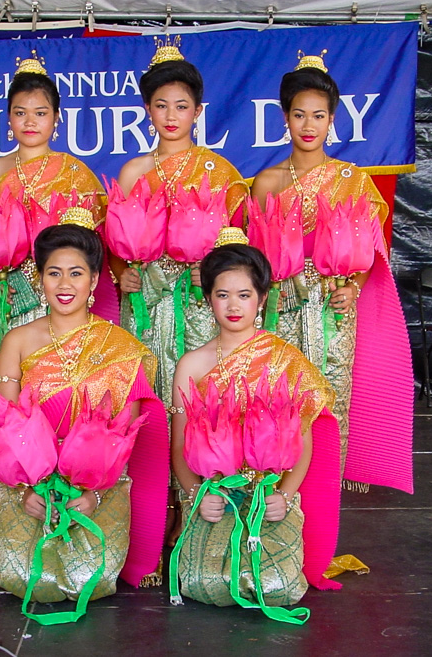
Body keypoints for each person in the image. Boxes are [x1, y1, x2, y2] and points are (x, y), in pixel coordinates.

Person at [249, 52, 413, 493]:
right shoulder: (266, 183)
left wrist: (354, 289)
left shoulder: (352, 179)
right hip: (279, 305)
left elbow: (370, 250)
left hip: (331, 306)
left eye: (318, 116)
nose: (308, 125)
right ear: (284, 117)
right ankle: (272, 495)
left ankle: (323, 499)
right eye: (299, 114)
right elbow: (253, 260)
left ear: (332, 119)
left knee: (329, 398)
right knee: (276, 395)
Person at [0, 216, 168, 603]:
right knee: (29, 581)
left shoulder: (121, 346)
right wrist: (26, 488)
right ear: (40, 279)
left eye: (76, 273)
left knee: (92, 580)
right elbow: (5, 423)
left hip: (98, 489)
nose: (65, 284)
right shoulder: (17, 341)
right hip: (29, 488)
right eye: (54, 273)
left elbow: (124, 432)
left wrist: (94, 494)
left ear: (94, 281)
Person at [170, 234, 342, 606]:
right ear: (208, 299)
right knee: (203, 584)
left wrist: (284, 495)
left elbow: (304, 440)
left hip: (270, 496)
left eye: (244, 295)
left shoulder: (285, 359)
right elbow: (180, 443)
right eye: (222, 295)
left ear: (262, 299)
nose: (233, 306)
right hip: (213, 494)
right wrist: (195, 497)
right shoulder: (191, 365)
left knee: (276, 587)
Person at [113, 37, 249, 409]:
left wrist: (212, 271)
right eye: (161, 106)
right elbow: (114, 244)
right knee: (148, 389)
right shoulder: (133, 172)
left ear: (197, 112)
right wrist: (120, 273)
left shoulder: (219, 172)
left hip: (201, 301)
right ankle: (153, 465)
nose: (171, 117)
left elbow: (242, 247)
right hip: (146, 302)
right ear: (147, 109)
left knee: (202, 394)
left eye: (181, 106)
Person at [0, 51, 118, 376]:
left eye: (40, 113)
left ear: (56, 118)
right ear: (8, 118)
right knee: (9, 386)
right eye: (20, 113)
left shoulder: (77, 174)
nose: (29, 122)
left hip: (60, 295)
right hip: (7, 300)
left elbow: (93, 249)